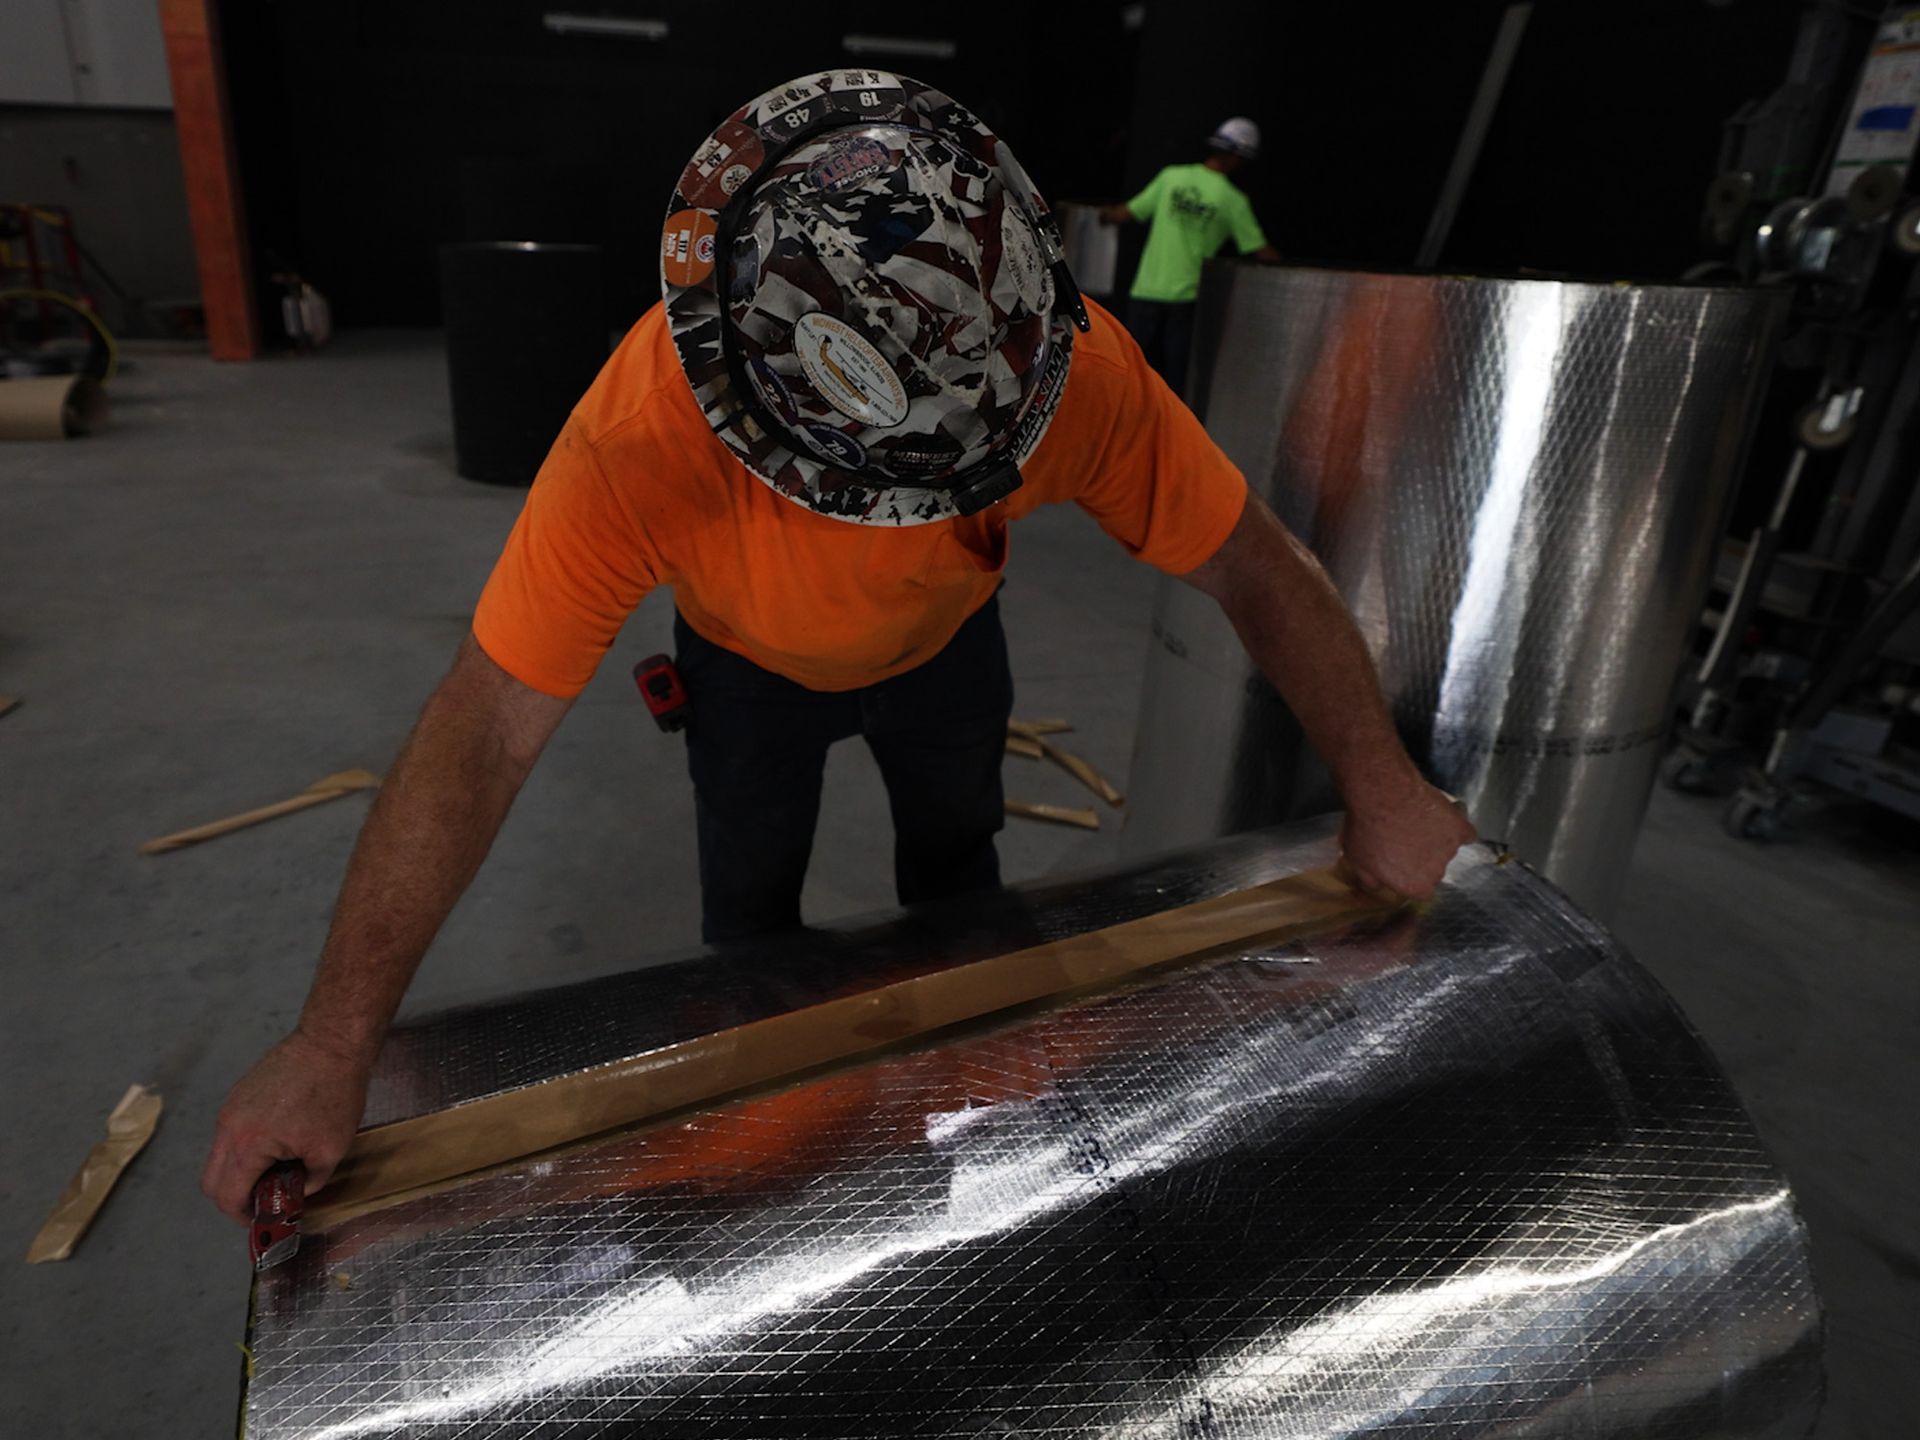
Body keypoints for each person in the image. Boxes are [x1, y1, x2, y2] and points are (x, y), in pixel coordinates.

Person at [201, 71, 1473, 1222]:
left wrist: (1383, 788)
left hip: (947, 648)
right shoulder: (643, 435)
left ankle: (983, 1161)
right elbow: (486, 719)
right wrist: (332, 1042)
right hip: (744, 667)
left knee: (960, 887)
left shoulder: (1065, 379)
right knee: (752, 934)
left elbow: (1251, 558)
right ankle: (764, 1178)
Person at [1101, 116, 1280, 396]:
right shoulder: (1233, 200)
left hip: (1148, 287)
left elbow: (1126, 213)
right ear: (1238, 157)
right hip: (1187, 296)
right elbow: (1260, 251)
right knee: (1176, 377)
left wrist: (1103, 215)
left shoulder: (1171, 177)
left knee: (1126, 367)